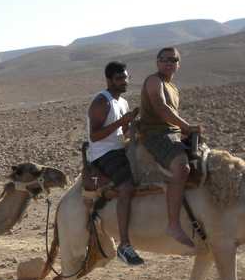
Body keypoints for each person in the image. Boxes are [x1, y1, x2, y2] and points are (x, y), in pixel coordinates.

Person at [138, 47, 203, 248]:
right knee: (182, 168)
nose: (168, 62)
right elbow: (160, 108)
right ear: (157, 63)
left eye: (173, 59)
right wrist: (187, 127)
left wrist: (184, 131)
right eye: (164, 59)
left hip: (171, 133)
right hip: (156, 135)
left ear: (178, 64)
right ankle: (173, 225)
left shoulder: (172, 87)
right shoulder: (154, 81)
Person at [87, 61, 143, 265]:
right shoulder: (102, 102)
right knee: (127, 187)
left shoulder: (124, 103)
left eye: (126, 78)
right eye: (119, 79)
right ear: (108, 80)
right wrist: (121, 122)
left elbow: (124, 133)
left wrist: (136, 125)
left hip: (120, 148)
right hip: (104, 153)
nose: (124, 82)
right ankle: (124, 245)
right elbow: (94, 136)